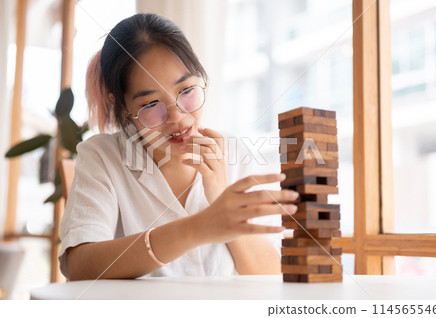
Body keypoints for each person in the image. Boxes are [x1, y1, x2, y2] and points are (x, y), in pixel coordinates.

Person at [58, 13, 299, 281]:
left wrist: (220, 198)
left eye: (186, 91)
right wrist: (200, 227)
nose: (176, 117)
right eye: (150, 105)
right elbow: (79, 266)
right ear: (124, 107)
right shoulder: (102, 156)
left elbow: (271, 272)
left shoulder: (236, 153)